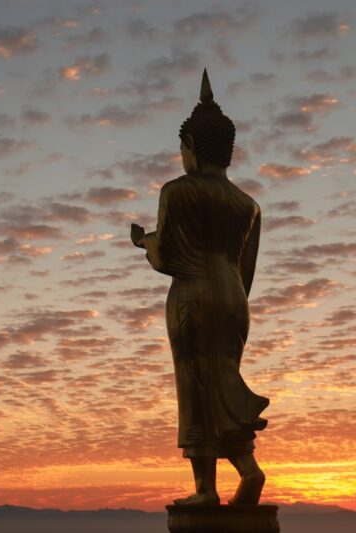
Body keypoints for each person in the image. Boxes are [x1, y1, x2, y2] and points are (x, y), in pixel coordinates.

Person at [130, 69, 269, 506]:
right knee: (222, 378)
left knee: (195, 383)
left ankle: (206, 489)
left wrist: (144, 242)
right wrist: (233, 303)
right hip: (233, 299)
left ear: (190, 146)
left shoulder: (178, 191)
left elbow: (168, 256)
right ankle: (247, 469)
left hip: (192, 295)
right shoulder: (248, 205)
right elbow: (247, 268)